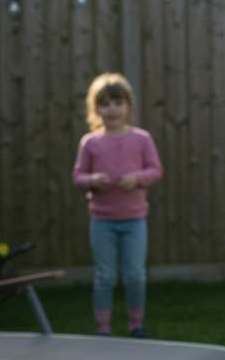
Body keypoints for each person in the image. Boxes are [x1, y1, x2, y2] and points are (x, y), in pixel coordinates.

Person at [72, 73, 163, 338]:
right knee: (105, 277)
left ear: (128, 106)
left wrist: (137, 178)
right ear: (95, 108)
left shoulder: (142, 139)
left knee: (135, 275)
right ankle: (103, 327)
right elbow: (77, 177)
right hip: (102, 221)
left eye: (117, 102)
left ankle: (136, 325)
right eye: (105, 103)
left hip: (135, 220)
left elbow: (156, 170)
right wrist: (92, 180)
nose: (111, 109)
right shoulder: (90, 142)